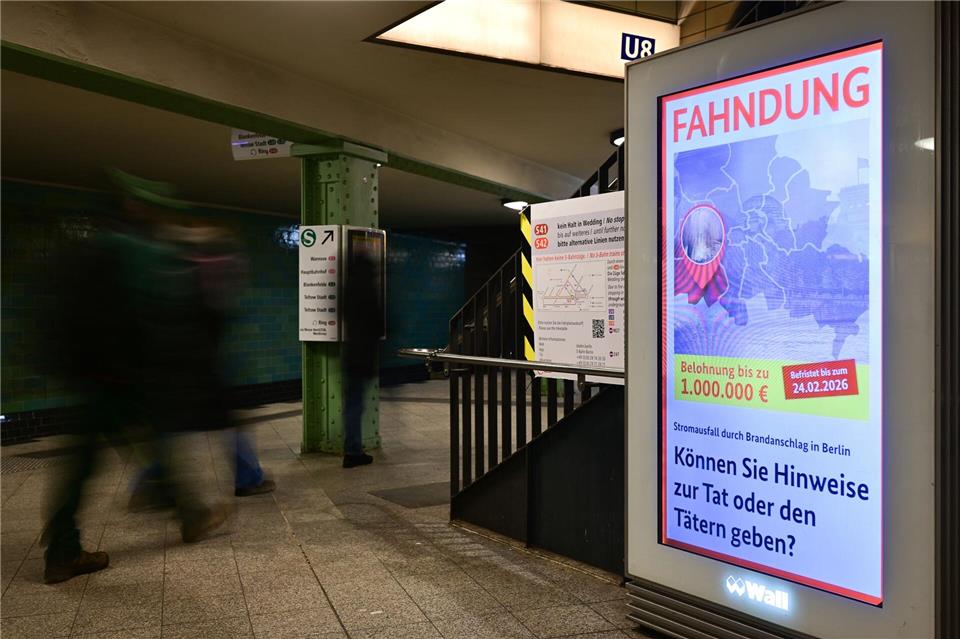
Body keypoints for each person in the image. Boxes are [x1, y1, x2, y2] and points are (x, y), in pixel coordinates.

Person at [341, 250, 384, 468]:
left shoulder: (348, 289)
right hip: (364, 355)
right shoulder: (368, 291)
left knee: (352, 405)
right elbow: (377, 324)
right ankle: (353, 451)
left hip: (350, 355)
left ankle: (352, 448)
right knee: (356, 405)